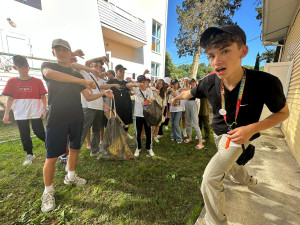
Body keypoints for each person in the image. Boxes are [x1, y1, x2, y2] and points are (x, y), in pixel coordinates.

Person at [171, 25, 289, 225]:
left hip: (236, 137)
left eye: (225, 51)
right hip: (219, 135)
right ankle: (248, 180)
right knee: (232, 165)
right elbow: (188, 94)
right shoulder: (208, 82)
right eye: (211, 55)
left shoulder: (266, 82)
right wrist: (176, 98)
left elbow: (283, 113)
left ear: (243, 51)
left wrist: (251, 129)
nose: (216, 61)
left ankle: (215, 222)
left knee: (210, 179)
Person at [40, 38, 113, 213]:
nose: (62, 52)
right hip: (57, 116)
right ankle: (48, 191)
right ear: (53, 53)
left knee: (74, 148)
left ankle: (71, 176)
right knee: (51, 156)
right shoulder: (49, 66)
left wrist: (103, 92)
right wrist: (81, 81)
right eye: (58, 50)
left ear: (70, 52)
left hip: (76, 116)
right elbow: (50, 75)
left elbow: (88, 97)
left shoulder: (77, 74)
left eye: (65, 50)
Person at [2, 55, 47, 165]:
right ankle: (29, 154)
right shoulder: (11, 82)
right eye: (21, 67)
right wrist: (6, 113)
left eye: (26, 66)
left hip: (35, 111)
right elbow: (10, 98)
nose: (24, 69)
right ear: (15, 68)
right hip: (20, 112)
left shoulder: (37, 81)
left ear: (28, 67)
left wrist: (44, 109)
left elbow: (43, 96)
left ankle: (51, 147)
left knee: (39, 132)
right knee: (24, 134)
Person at [106, 64, 140, 139]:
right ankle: (117, 140)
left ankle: (125, 139)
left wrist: (132, 91)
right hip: (117, 106)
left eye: (123, 72)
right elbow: (103, 87)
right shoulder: (112, 81)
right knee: (117, 124)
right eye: (120, 71)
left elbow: (130, 93)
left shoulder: (126, 83)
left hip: (127, 105)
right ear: (116, 72)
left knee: (126, 123)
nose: (122, 73)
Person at [133, 75, 155, 157]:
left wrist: (146, 102)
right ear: (138, 83)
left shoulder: (149, 91)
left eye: (144, 82)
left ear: (146, 82)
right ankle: (138, 148)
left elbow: (151, 100)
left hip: (147, 114)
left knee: (148, 132)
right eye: (141, 82)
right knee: (138, 132)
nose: (143, 84)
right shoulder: (136, 90)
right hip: (138, 114)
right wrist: (135, 84)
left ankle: (149, 148)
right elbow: (127, 86)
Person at [183, 78, 204, 149]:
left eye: (193, 82)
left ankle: (200, 142)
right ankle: (190, 137)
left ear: (195, 82)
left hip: (194, 104)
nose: (192, 83)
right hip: (187, 103)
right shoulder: (189, 89)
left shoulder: (197, 89)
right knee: (188, 122)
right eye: (190, 83)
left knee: (195, 124)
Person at [168, 79, 184, 144]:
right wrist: (168, 111)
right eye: (174, 83)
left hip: (179, 109)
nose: (175, 84)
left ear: (178, 83)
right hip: (172, 109)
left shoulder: (180, 90)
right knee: (173, 124)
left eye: (176, 83)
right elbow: (169, 102)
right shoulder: (171, 91)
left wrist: (172, 91)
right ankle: (173, 136)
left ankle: (179, 138)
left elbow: (178, 97)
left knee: (176, 124)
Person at [151, 79, 167, 143]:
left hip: (160, 111)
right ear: (157, 83)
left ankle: (155, 136)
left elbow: (164, 104)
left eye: (162, 84)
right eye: (159, 83)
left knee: (158, 125)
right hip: (153, 110)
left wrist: (162, 113)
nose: (160, 85)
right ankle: (150, 137)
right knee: (153, 126)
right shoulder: (153, 90)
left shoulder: (164, 93)